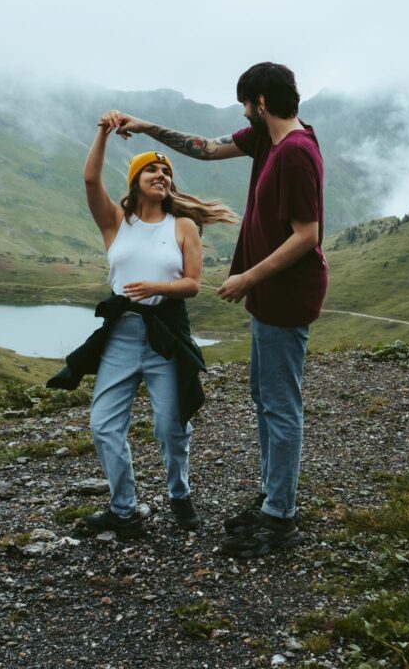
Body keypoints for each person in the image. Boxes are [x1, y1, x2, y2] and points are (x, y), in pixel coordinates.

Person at [107, 62, 328, 557]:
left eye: (245, 104)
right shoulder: (268, 139)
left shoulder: (294, 152)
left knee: (280, 404)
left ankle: (280, 518)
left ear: (261, 103)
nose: (243, 112)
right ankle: (273, 498)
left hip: (285, 295)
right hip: (269, 297)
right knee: (265, 397)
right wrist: (145, 126)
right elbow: (205, 149)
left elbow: (306, 236)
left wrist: (247, 277)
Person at [47, 112, 237, 538]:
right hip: (120, 336)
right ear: (135, 180)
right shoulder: (116, 222)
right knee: (103, 425)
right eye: (151, 169)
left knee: (171, 426)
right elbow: (91, 180)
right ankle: (124, 510)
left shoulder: (183, 225)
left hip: (164, 338)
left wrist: (156, 287)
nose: (161, 175)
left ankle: (179, 493)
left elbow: (192, 284)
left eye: (166, 172)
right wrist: (102, 132)